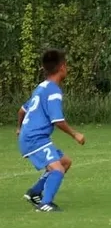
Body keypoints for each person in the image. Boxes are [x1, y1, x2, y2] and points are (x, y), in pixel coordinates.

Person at [17, 49, 86, 212]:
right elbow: (57, 120)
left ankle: (34, 193)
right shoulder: (53, 91)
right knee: (58, 169)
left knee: (65, 162)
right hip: (35, 138)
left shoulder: (41, 88)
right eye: (66, 65)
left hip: (33, 137)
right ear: (62, 67)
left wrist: (19, 128)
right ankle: (45, 203)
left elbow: (22, 110)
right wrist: (75, 134)